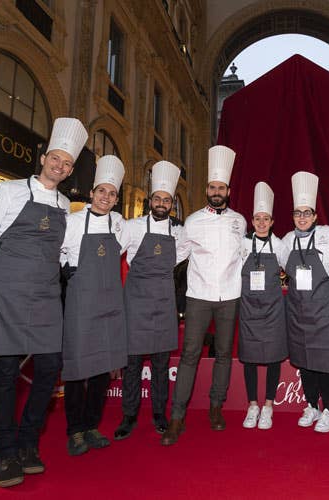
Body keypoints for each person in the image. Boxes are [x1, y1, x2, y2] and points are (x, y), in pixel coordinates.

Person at [0, 117, 88, 487]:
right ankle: (5, 451)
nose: (60, 166)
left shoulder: (66, 204)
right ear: (44, 156)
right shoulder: (7, 191)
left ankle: (29, 442)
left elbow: (64, 250)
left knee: (49, 369)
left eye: (67, 164)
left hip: (47, 295)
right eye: (56, 159)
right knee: (4, 375)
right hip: (6, 291)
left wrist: (72, 269)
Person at [161, 145, 246, 445]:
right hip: (198, 296)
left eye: (221, 187)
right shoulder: (193, 220)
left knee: (223, 354)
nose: (216, 191)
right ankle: (177, 417)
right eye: (212, 187)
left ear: (228, 190)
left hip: (230, 296)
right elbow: (178, 254)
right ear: (207, 189)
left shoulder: (240, 221)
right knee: (189, 355)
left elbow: (244, 256)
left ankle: (215, 408)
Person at [60, 155, 128, 456]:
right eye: (102, 191)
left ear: (116, 199)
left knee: (102, 368)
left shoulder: (120, 224)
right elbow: (56, 252)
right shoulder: (72, 222)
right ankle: (74, 430)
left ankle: (91, 425)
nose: (106, 197)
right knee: (76, 369)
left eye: (112, 193)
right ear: (91, 193)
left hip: (110, 303)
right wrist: (67, 269)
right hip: (81, 302)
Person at [116, 160, 184, 440]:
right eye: (157, 198)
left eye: (166, 200)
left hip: (163, 304)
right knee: (131, 364)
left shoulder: (179, 234)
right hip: (135, 303)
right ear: (150, 200)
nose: (161, 203)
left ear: (171, 204)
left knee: (160, 364)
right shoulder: (131, 228)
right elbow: (111, 255)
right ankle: (129, 415)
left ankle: (159, 413)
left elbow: (186, 259)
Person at [282, 171, 329, 433]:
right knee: (305, 360)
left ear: (316, 216)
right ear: (293, 216)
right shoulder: (286, 240)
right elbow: (283, 266)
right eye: (298, 213)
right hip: (298, 311)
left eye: (307, 213)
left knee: (327, 362)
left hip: (326, 311)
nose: (302, 217)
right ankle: (311, 405)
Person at [239, 182, 290, 430]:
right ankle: (252, 405)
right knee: (249, 358)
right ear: (252, 221)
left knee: (272, 359)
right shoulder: (243, 245)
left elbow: (291, 269)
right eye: (257, 218)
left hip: (272, 311)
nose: (261, 223)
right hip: (248, 309)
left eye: (265, 219)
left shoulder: (279, 246)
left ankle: (268, 406)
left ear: (271, 222)